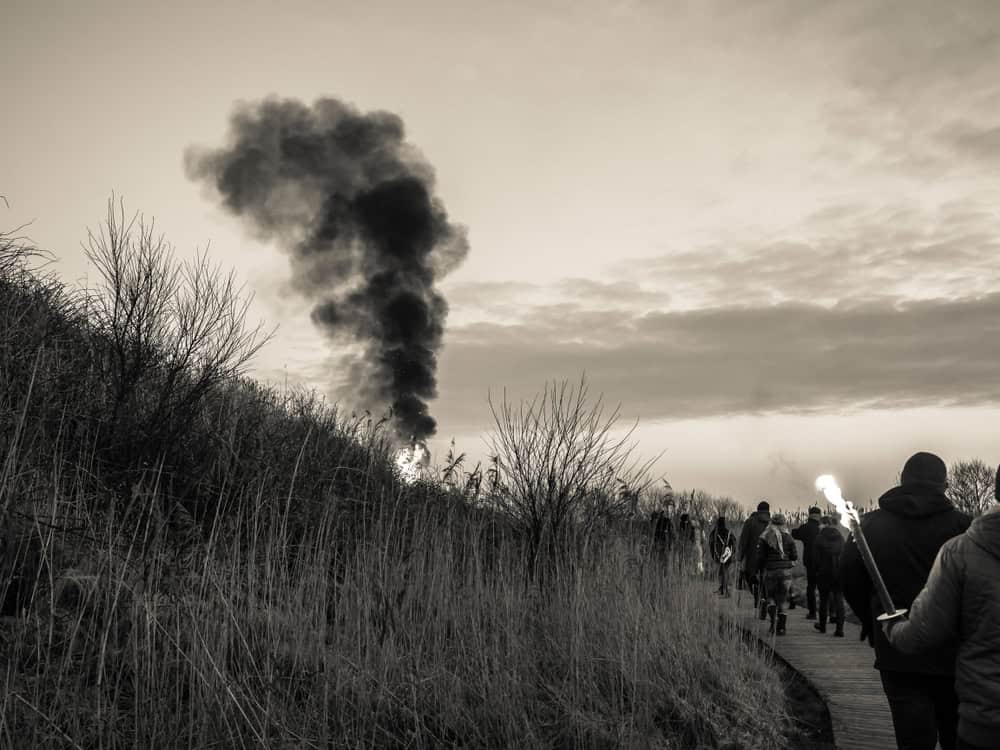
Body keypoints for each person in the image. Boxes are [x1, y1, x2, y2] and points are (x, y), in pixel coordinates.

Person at [841, 451, 971, 750]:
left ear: (902, 479)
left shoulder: (868, 527)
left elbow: (849, 575)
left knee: (912, 740)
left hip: (897, 651)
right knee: (957, 737)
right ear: (945, 484)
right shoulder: (965, 528)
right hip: (953, 652)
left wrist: (870, 619)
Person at [881, 472, 1000, 750]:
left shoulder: (961, 552)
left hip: (987, 722)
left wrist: (892, 627)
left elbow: (921, 633)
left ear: (996, 491)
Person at [755, 513, 798, 635]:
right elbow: (794, 556)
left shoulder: (765, 537)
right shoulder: (789, 537)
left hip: (770, 572)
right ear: (784, 523)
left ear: (772, 523)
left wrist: (758, 570)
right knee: (783, 600)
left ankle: (773, 623)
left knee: (771, 598)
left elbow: (760, 557)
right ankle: (782, 628)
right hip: (785, 573)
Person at [812, 514, 845, 637]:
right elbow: (845, 555)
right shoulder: (841, 538)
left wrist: (817, 571)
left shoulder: (819, 538)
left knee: (824, 599)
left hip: (824, 572)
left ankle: (822, 626)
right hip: (839, 572)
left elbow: (815, 559)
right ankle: (840, 629)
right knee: (839, 599)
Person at [738, 500, 771, 612]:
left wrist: (739, 557)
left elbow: (743, 541)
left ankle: (759, 596)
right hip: (769, 558)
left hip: (753, 558)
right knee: (765, 579)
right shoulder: (772, 523)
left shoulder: (750, 522)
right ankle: (764, 598)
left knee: (751, 578)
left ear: (757, 510)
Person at [791, 505, 822, 619]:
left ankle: (812, 612)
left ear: (810, 515)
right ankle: (832, 614)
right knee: (826, 588)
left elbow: (794, 533)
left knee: (811, 587)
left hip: (810, 561)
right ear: (819, 515)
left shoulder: (806, 527)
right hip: (825, 562)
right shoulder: (822, 527)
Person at [709, 516, 737, 596]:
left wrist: (714, 556)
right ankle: (723, 589)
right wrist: (732, 554)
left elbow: (711, 544)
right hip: (728, 555)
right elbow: (734, 543)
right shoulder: (728, 532)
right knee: (725, 571)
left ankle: (724, 590)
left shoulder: (714, 532)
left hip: (718, 555)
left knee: (721, 572)